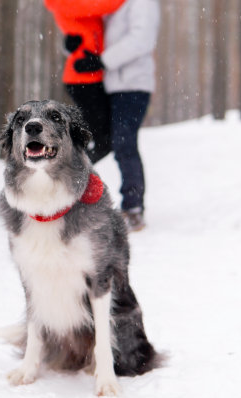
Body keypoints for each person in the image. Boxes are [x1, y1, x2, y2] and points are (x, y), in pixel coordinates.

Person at [73, 0, 160, 232]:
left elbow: (141, 39)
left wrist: (102, 61)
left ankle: (132, 208)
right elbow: (95, 38)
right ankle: (70, 191)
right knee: (100, 141)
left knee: (124, 142)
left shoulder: (142, 3)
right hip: (108, 84)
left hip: (134, 84)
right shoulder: (110, 5)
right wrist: (74, 46)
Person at [43, 0, 125, 163]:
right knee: (103, 142)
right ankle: (70, 170)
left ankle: (72, 167)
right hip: (82, 80)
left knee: (104, 137)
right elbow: (106, 5)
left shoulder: (78, 6)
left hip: (93, 77)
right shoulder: (64, 3)